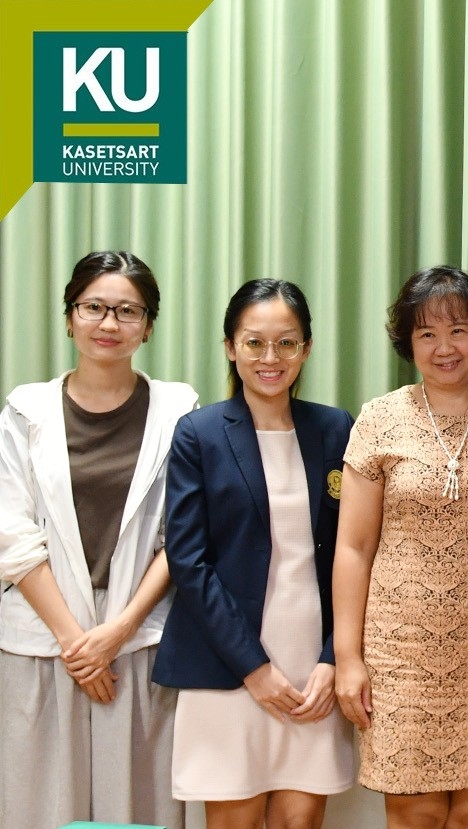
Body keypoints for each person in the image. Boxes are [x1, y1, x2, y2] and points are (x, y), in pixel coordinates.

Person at [333, 266, 468, 828]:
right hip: (399, 655)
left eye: (458, 329)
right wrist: (348, 658)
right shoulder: (380, 418)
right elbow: (353, 547)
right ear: (408, 343)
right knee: (414, 815)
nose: (444, 346)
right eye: (426, 333)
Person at [0, 251, 196, 828]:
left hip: (139, 647)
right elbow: (12, 533)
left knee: (140, 811)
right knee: (40, 809)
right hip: (43, 646)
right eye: (93, 308)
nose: (109, 324)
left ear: (149, 325)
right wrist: (77, 645)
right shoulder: (24, 410)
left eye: (127, 311)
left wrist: (117, 632)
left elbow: (179, 536)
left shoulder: (177, 410)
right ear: (69, 318)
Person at [156, 279, 356, 828]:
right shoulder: (198, 433)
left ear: (307, 348)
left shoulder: (336, 427)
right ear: (230, 346)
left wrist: (332, 658)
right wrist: (253, 668)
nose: (271, 358)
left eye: (286, 343)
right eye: (254, 343)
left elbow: (357, 551)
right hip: (228, 665)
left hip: (312, 668)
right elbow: (189, 562)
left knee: (300, 821)